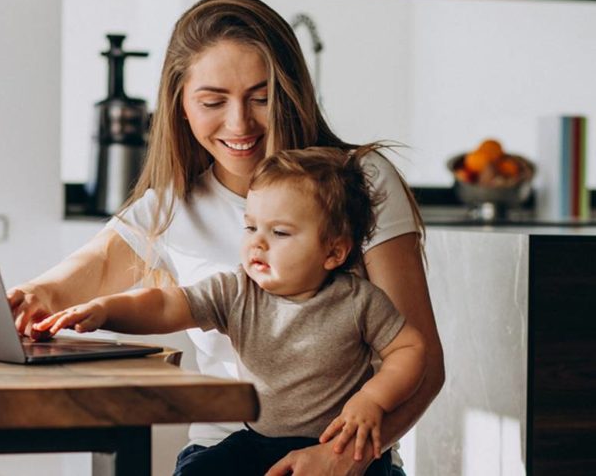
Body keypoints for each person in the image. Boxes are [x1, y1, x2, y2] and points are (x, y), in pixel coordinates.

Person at [8, 0, 445, 475]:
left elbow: (421, 362)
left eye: (262, 98)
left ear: (293, 93)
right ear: (180, 106)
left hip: (349, 456)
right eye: (213, 101)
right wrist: (33, 296)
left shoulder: (360, 182)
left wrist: (342, 459)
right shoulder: (170, 208)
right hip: (229, 449)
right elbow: (69, 284)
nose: (240, 123)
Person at [33, 145, 426, 475]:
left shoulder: (359, 301)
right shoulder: (237, 290)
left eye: (280, 232)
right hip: (258, 440)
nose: (258, 244)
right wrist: (105, 310)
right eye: (251, 227)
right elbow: (167, 303)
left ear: (334, 251)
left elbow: (410, 350)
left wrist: (373, 399)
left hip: (340, 444)